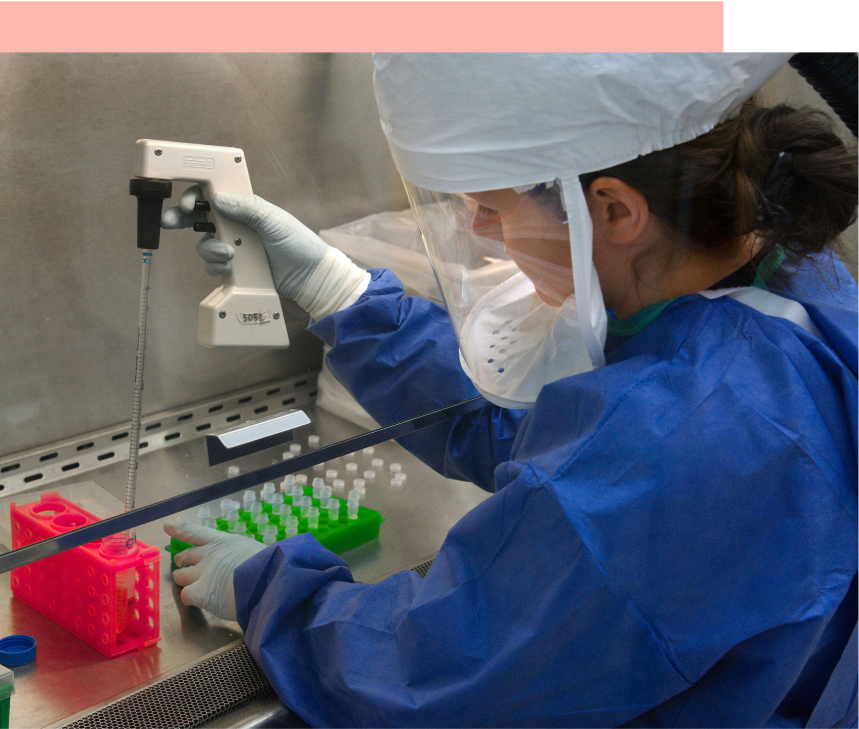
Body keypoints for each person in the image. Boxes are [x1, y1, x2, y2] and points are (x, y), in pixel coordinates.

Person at [162, 54, 859, 728]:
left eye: (490, 206)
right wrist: (340, 294)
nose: (478, 230)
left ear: (614, 210)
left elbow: (441, 679)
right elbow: (545, 417)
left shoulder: (679, 438)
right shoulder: (778, 281)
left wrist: (272, 594)